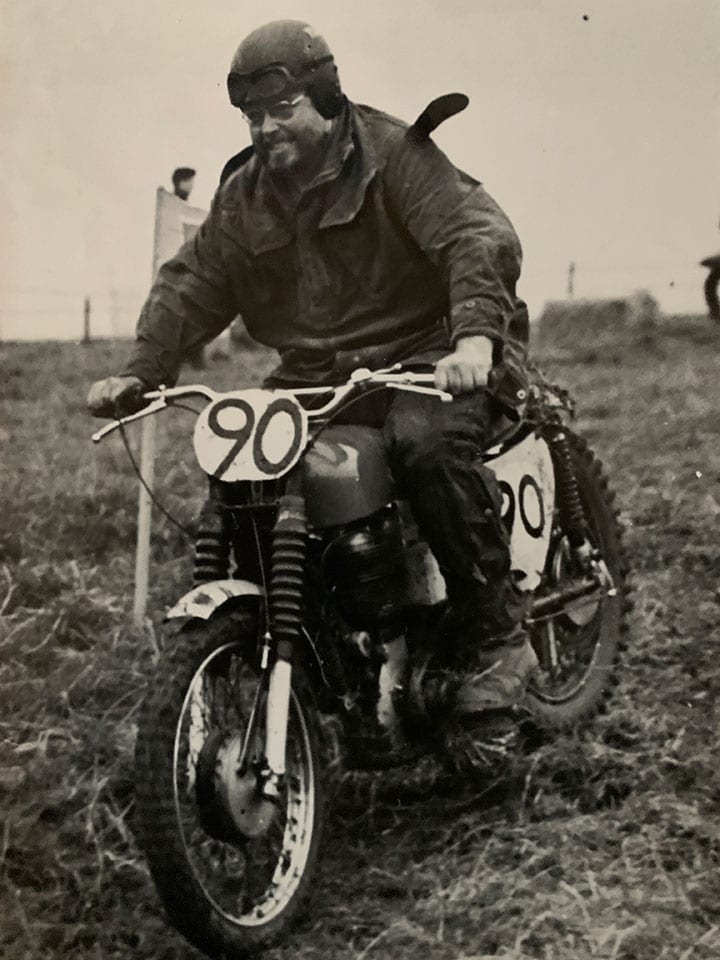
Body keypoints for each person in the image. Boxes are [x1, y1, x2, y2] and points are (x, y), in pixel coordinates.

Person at [87, 20, 537, 718]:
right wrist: (141, 368)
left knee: (426, 446)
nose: (265, 129)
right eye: (252, 115)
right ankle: (304, 639)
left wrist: (475, 342)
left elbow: (477, 234)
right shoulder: (245, 194)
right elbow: (192, 282)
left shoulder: (394, 153)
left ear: (325, 95)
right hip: (317, 372)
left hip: (428, 348)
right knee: (247, 472)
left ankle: (497, 634)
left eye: (281, 108)